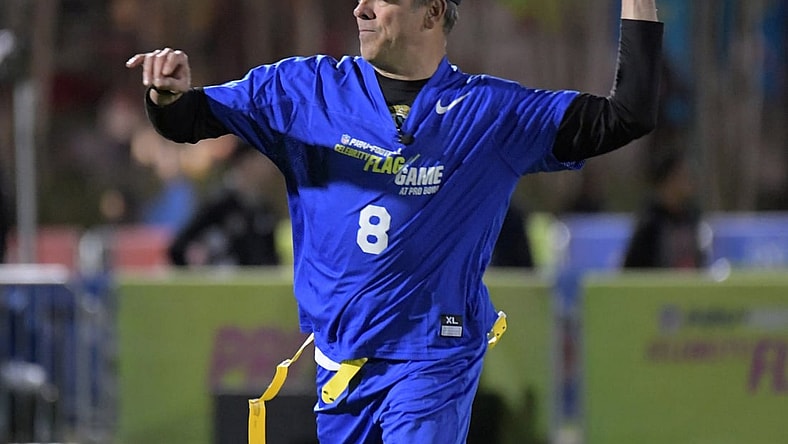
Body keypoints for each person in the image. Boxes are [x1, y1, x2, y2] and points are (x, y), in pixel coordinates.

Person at [126, 0, 662, 442]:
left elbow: (627, 113)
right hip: (341, 363)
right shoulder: (303, 91)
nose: (360, 8)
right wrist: (165, 95)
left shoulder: (492, 113)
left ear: (431, 13)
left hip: (432, 354)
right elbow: (190, 118)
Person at [168, 143, 282, 267]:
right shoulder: (219, 204)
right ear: (245, 161)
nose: (270, 166)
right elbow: (180, 247)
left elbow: (271, 258)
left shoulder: (265, 210)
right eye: (263, 159)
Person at [623, 151, 707, 269]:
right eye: (683, 176)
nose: (690, 182)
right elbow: (632, 270)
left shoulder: (693, 218)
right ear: (667, 180)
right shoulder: (650, 223)